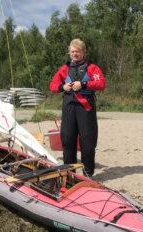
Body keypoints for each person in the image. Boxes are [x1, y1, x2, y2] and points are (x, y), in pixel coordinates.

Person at [49, 38, 106, 177]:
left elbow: (101, 84)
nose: (75, 54)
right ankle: (69, 174)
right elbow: (52, 86)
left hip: (85, 107)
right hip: (69, 107)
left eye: (78, 51)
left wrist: (84, 85)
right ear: (69, 53)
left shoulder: (92, 68)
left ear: (84, 52)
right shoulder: (64, 69)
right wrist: (63, 87)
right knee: (68, 140)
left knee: (87, 141)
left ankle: (88, 174)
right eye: (73, 51)